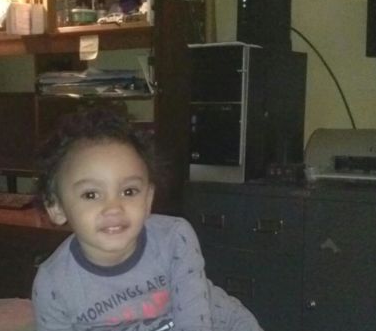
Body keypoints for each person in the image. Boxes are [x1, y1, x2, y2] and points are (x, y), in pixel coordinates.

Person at [32, 106, 263, 331]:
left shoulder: (174, 239)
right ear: (56, 207)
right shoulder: (53, 284)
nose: (114, 208)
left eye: (129, 191)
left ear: (148, 198)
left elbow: (194, 323)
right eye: (91, 194)